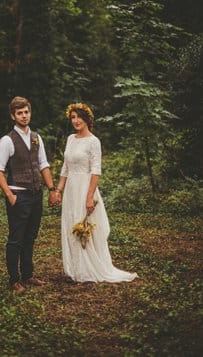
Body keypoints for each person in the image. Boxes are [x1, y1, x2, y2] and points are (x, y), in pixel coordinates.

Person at [52, 103, 137, 283]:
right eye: (73, 117)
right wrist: (59, 189)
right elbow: (65, 167)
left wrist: (89, 197)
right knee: (71, 225)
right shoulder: (70, 139)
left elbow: (96, 170)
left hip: (85, 188)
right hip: (70, 190)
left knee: (84, 226)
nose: (75, 121)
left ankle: (89, 269)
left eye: (79, 117)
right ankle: (76, 269)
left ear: (87, 119)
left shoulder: (93, 141)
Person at [0, 96, 59, 295]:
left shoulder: (36, 137)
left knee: (30, 236)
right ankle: (14, 279)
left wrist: (52, 189)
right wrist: (9, 195)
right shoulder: (7, 140)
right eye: (19, 113)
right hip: (18, 197)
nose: (24, 116)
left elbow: (44, 164)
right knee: (16, 239)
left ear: (30, 113)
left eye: (26, 112)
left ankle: (28, 274)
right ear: (13, 116)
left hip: (36, 195)